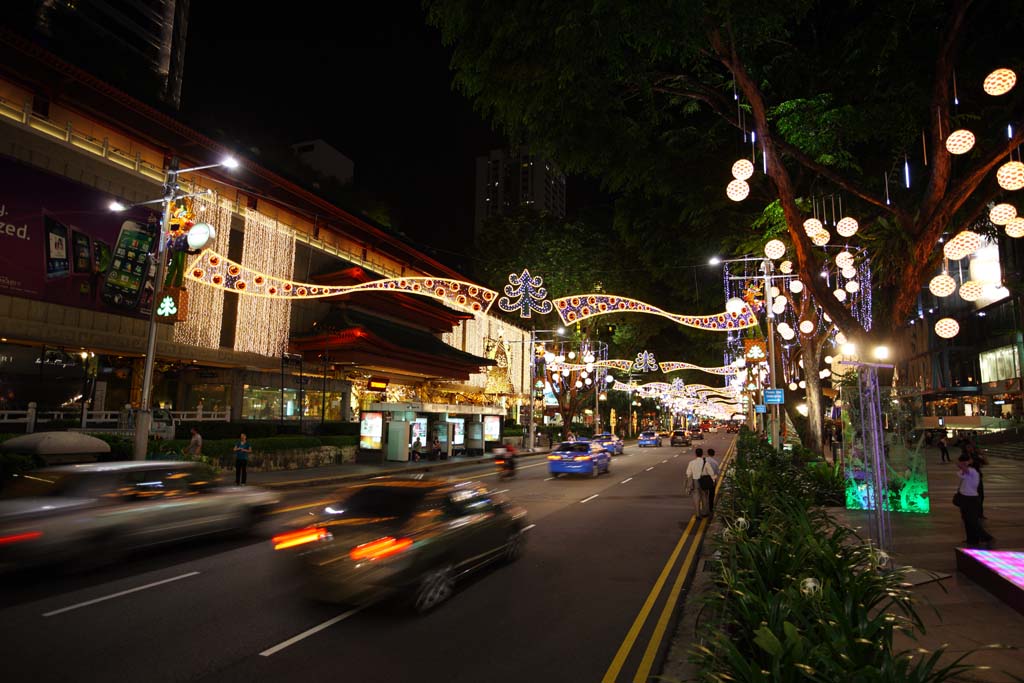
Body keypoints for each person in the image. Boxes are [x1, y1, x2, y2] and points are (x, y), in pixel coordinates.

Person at [956, 453, 993, 547]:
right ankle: (972, 539)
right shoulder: (967, 472)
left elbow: (959, 465)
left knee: (972, 521)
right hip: (965, 498)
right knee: (966, 520)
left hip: (971, 499)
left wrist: (967, 462)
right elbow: (961, 470)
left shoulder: (973, 472)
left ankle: (987, 537)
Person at [685, 447, 713, 519]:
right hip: (704, 481)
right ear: (702, 454)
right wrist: (713, 481)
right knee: (704, 496)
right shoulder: (706, 463)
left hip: (695, 481)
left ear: (695, 454)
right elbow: (711, 473)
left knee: (696, 498)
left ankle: (697, 514)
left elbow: (688, 473)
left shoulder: (691, 463)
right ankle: (704, 512)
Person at [967, 443, 988, 518]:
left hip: (978, 478)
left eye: (971, 448)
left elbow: (986, 462)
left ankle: (980, 513)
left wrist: (983, 454)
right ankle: (972, 513)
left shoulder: (976, 456)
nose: (970, 449)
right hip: (970, 479)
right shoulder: (965, 456)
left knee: (981, 496)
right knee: (972, 497)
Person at [705, 447, 721, 516]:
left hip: (704, 479)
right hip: (712, 479)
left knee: (704, 495)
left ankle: (705, 509)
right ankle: (711, 508)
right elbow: (718, 472)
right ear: (713, 454)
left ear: (708, 453)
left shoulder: (704, 460)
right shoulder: (715, 462)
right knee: (711, 495)